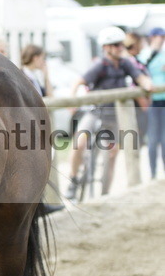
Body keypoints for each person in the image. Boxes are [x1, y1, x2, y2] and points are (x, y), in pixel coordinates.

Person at [65, 27, 152, 200]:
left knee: (112, 154)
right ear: (106, 47)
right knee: (78, 143)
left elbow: (140, 77)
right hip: (96, 112)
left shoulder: (125, 63)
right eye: (116, 45)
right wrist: (72, 100)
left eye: (122, 44)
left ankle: (105, 194)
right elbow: (79, 81)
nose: (121, 48)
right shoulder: (100, 65)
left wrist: (147, 84)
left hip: (115, 117)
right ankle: (73, 180)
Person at [143, 27, 165, 179]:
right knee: (152, 138)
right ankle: (153, 173)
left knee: (164, 139)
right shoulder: (144, 55)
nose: (161, 40)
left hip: (163, 99)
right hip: (151, 102)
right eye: (159, 37)